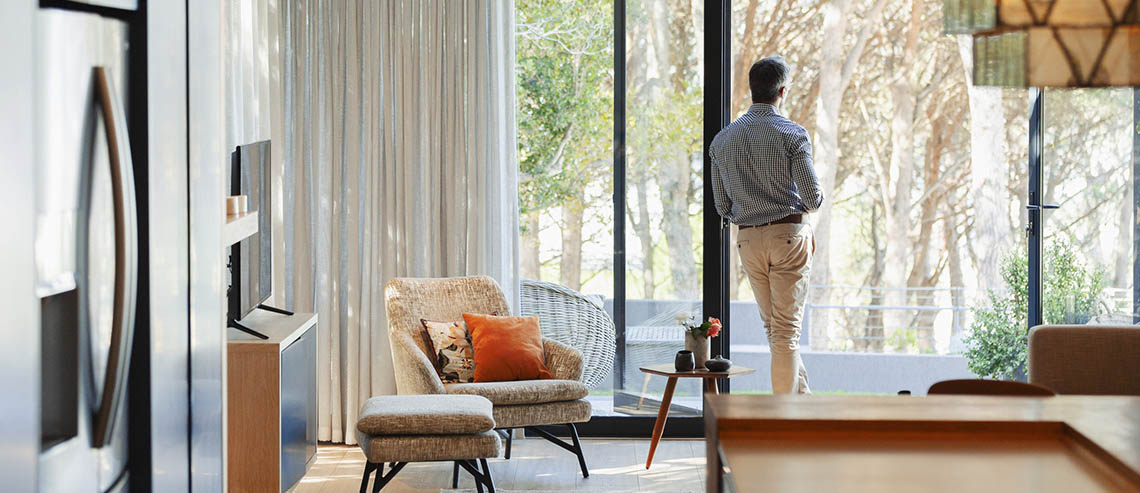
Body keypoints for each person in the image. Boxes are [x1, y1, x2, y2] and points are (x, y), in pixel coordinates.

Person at [709, 56, 823, 394]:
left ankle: (801, 403)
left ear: (752, 90)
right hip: (787, 235)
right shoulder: (792, 134)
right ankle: (783, 418)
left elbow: (722, 206)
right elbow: (813, 198)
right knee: (786, 332)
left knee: (776, 330)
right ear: (782, 91)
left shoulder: (722, 140)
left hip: (748, 241)